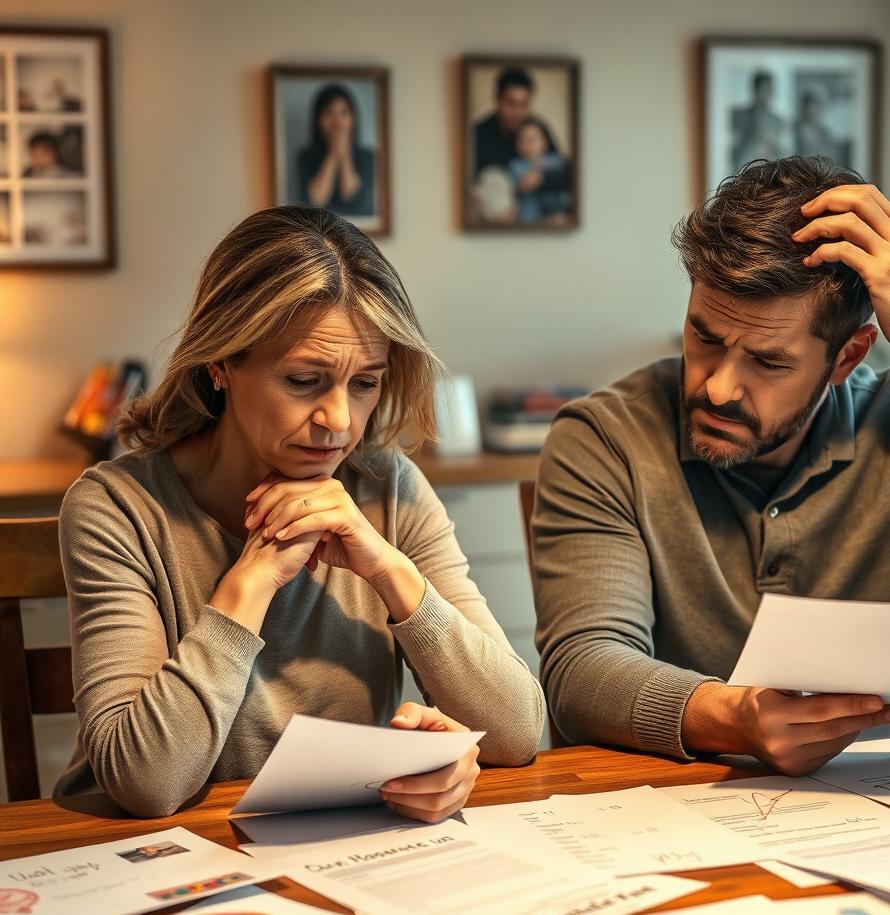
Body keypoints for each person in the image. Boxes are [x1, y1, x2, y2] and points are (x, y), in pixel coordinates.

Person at [532, 156, 890, 777]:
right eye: (705, 338)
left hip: (877, 801)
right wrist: (732, 715)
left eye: (768, 363)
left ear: (847, 358)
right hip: (673, 803)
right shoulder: (602, 438)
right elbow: (582, 670)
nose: (717, 389)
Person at [55, 205, 545, 819]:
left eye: (365, 383)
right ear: (221, 362)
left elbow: (516, 731)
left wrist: (391, 573)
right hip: (138, 860)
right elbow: (147, 781)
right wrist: (253, 579)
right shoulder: (117, 508)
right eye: (304, 381)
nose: (338, 421)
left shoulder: (390, 490)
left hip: (324, 846)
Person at [471, 66, 569, 219]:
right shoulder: (477, 134)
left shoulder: (537, 129)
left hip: (541, 210)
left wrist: (542, 180)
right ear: (497, 100)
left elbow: (565, 172)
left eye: (524, 105)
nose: (517, 112)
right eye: (511, 104)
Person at [296, 84, 375, 217]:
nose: (337, 122)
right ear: (318, 120)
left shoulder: (368, 157)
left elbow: (351, 195)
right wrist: (333, 153)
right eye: (329, 113)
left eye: (343, 113)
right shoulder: (306, 157)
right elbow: (316, 200)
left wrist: (344, 155)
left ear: (353, 118)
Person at [508, 118, 571, 224]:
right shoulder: (516, 166)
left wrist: (543, 177)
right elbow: (514, 189)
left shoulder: (556, 160)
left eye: (532, 140)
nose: (528, 145)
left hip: (558, 211)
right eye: (523, 140)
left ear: (545, 142)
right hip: (530, 216)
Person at [730, 71, 785, 170]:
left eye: (770, 89)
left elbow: (781, 153)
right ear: (755, 89)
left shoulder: (778, 121)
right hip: (745, 170)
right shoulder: (739, 115)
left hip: (770, 172)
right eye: (764, 89)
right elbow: (735, 152)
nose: (767, 93)